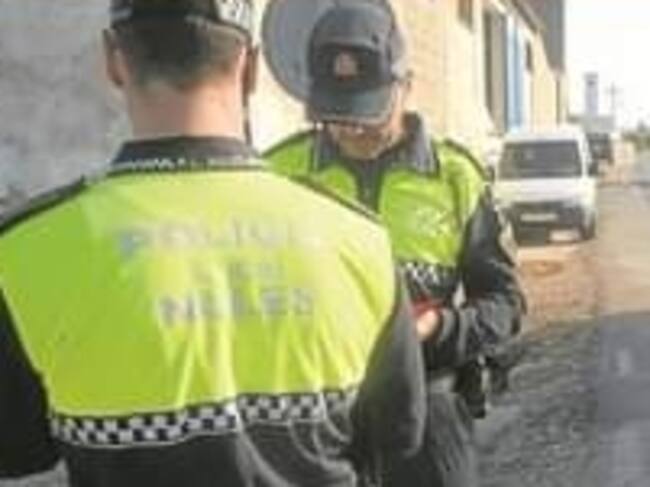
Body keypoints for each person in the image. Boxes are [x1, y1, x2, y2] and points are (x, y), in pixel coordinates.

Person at [0, 1, 427, 485]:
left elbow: (18, 450)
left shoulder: (23, 253)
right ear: (251, 68)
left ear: (114, 61)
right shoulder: (358, 239)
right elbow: (397, 436)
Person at [265, 2, 525, 486]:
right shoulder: (277, 175)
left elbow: (504, 306)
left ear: (406, 84)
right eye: (335, 112)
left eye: (366, 110)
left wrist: (436, 328)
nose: (350, 128)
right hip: (314, 426)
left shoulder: (456, 179)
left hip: (431, 420)